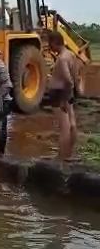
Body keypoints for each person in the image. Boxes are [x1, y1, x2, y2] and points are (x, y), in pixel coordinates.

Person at [47, 30, 80, 162]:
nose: (50, 47)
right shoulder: (71, 55)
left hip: (59, 94)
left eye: (50, 44)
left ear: (55, 43)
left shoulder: (61, 58)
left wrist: (63, 100)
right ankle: (70, 154)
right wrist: (73, 92)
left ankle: (61, 157)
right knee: (72, 123)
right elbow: (75, 76)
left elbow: (68, 79)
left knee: (64, 127)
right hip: (67, 93)